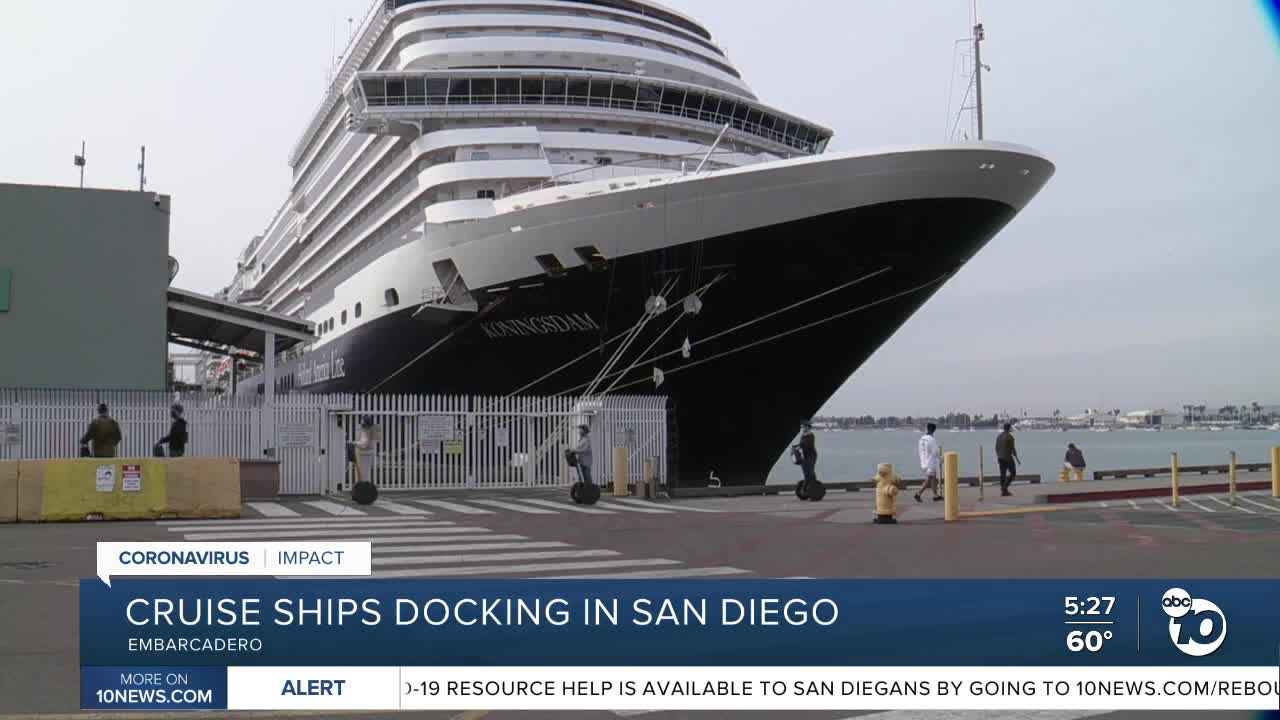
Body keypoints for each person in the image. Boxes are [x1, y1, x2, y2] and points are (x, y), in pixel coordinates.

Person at [915, 422, 943, 502]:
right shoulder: (932, 439)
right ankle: (918, 494)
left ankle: (935, 495)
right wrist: (941, 459)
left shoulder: (922, 439)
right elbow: (935, 452)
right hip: (930, 462)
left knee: (933, 478)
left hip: (923, 461)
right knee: (929, 480)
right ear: (934, 430)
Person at [996, 423, 1020, 496]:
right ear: (1009, 428)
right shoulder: (1010, 437)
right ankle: (1004, 487)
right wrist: (1016, 457)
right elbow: (1013, 448)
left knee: (1002, 474)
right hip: (1007, 458)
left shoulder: (999, 436)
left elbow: (996, 448)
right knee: (1013, 473)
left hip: (1000, 458)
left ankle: (1004, 491)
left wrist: (999, 455)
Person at [795, 422, 818, 493]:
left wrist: (801, 447)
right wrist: (797, 447)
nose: (802, 428)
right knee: (806, 473)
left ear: (808, 427)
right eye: (802, 427)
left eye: (804, 427)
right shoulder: (803, 436)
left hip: (811, 456)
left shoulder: (811, 435)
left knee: (810, 472)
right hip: (804, 456)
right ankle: (805, 489)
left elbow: (808, 446)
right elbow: (801, 444)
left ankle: (814, 486)